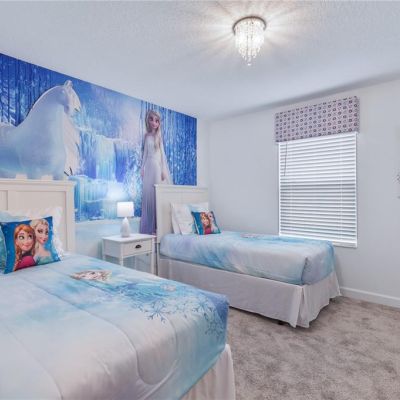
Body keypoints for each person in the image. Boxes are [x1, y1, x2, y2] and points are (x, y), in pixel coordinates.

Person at [139, 110, 172, 234]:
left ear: (159, 123)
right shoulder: (146, 136)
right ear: (148, 120)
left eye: (157, 121)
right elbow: (145, 154)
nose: (154, 123)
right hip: (148, 166)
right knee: (148, 195)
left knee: (156, 195)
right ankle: (149, 228)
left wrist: (163, 170)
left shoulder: (159, 137)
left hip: (157, 168)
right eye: (151, 119)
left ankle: (157, 227)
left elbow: (162, 155)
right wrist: (142, 168)